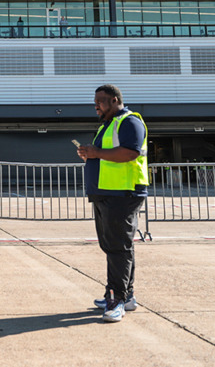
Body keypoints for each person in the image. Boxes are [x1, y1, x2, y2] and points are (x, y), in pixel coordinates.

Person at [75, 84, 148, 323]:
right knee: (115, 246)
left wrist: (96, 153)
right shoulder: (108, 125)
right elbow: (104, 154)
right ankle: (124, 295)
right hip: (106, 193)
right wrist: (89, 153)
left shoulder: (129, 122)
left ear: (115, 100)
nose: (96, 105)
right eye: (95, 101)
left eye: (101, 101)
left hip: (122, 193)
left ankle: (117, 300)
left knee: (117, 247)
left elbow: (130, 153)